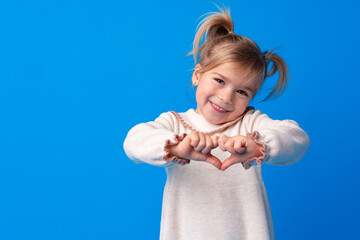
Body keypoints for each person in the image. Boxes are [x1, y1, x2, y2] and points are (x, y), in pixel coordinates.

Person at [123, 5, 310, 240]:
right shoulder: (175, 123)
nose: (226, 97)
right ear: (197, 75)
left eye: (242, 91)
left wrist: (259, 146)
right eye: (220, 80)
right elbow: (133, 141)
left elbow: (297, 139)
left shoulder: (251, 125)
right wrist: (176, 147)